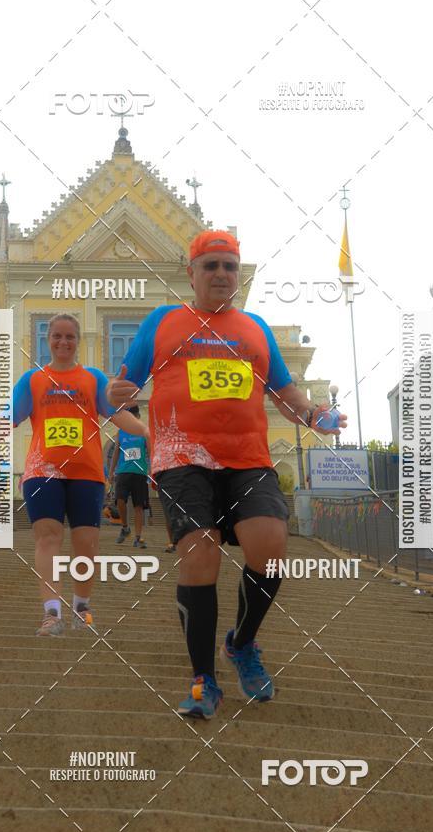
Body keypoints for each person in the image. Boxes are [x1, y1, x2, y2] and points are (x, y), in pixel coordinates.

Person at [108, 230, 346, 719]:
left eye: (229, 266)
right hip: (182, 458)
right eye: (211, 265)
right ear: (192, 273)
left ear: (239, 275)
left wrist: (314, 415)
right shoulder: (163, 321)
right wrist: (117, 392)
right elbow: (124, 384)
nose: (221, 274)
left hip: (248, 458)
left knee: (271, 548)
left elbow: (285, 392)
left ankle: (241, 643)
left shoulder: (255, 328)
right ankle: (204, 681)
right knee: (200, 556)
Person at [12, 313, 148, 637]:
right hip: (43, 471)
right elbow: (6, 420)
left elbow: (117, 415)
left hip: (86, 472)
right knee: (48, 538)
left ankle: (81, 607)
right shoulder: (33, 380)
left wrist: (147, 431)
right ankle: (51, 613)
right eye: (57, 336)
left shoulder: (93, 378)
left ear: (78, 340)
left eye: (69, 336)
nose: (63, 342)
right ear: (48, 340)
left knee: (85, 542)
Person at [108, 404, 150, 548]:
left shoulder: (144, 432)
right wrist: (111, 472)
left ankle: (138, 537)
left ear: (138, 416)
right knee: (120, 500)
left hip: (140, 473)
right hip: (123, 472)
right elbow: (115, 453)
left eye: (134, 416)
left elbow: (150, 451)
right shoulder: (121, 432)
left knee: (139, 506)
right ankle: (125, 528)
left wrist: (152, 470)